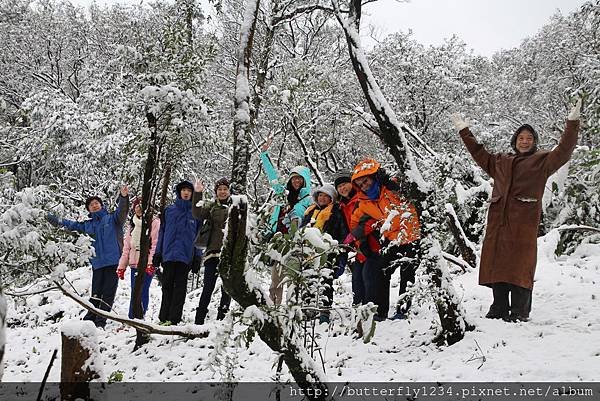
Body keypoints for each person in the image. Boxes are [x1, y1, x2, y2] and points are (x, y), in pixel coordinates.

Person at [451, 99, 581, 322]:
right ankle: (499, 307)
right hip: (499, 222)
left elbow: (564, 150)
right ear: (514, 141)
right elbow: (479, 153)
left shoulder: (543, 161)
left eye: (529, 139)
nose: (524, 142)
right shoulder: (500, 161)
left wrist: (572, 123)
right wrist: (464, 131)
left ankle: (520, 311)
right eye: (521, 138)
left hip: (523, 223)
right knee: (499, 264)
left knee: (520, 266)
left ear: (534, 142)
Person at [47, 186, 130, 328]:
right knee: (96, 293)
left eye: (96, 203)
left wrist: (123, 197)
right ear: (89, 209)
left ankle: (100, 321)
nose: (94, 205)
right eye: (91, 205)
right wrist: (53, 219)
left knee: (108, 292)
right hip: (97, 263)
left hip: (113, 261)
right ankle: (90, 317)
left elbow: (122, 210)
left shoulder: (112, 219)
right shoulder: (87, 225)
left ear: (101, 205)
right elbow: (70, 225)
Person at [349, 160, 421, 321]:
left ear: (375, 177)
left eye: (366, 181)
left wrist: (395, 184)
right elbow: (355, 223)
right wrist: (362, 243)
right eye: (360, 184)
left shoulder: (392, 188)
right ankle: (381, 312)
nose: (364, 186)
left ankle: (403, 310)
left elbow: (415, 187)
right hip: (391, 240)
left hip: (412, 237)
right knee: (381, 272)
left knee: (407, 274)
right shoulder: (364, 202)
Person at [260, 138, 313, 305]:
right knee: (276, 277)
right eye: (293, 178)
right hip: (279, 240)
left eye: (300, 179)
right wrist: (264, 154)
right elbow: (273, 178)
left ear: (305, 180)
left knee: (292, 277)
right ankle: (274, 307)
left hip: (296, 243)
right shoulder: (283, 195)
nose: (296, 181)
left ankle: (293, 309)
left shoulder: (309, 200)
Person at [152, 180, 201, 326]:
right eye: (183, 190)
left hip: (185, 257)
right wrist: (158, 253)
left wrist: (198, 256)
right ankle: (163, 318)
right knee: (166, 286)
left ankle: (174, 319)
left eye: (189, 190)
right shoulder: (169, 211)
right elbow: (162, 232)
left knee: (180, 288)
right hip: (168, 255)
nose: (186, 193)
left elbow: (199, 235)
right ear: (179, 192)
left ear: (192, 193)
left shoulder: (196, 213)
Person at [300, 183, 348, 324]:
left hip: (328, 253)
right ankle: (308, 308)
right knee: (308, 280)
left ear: (331, 199)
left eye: (326, 196)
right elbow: (302, 230)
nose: (322, 198)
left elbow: (342, 233)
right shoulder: (310, 212)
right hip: (309, 253)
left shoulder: (336, 213)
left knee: (325, 282)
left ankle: (324, 311)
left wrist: (337, 249)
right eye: (320, 195)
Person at [192, 178, 233, 325]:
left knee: (226, 289)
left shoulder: (235, 207)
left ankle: (222, 320)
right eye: (220, 189)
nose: (222, 192)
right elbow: (196, 212)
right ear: (216, 192)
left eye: (225, 189)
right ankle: (199, 320)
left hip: (228, 254)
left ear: (229, 191)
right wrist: (198, 193)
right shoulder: (211, 207)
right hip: (212, 253)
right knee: (208, 287)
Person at [117, 197, 160, 319]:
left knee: (143, 291)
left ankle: (139, 318)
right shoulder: (132, 225)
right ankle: (132, 318)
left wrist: (151, 263)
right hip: (134, 263)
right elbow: (127, 248)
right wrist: (122, 266)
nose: (139, 209)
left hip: (146, 264)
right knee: (134, 292)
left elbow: (155, 244)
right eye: (137, 207)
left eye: (142, 206)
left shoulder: (154, 223)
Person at [334, 169, 366, 306]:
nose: (342, 188)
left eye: (345, 184)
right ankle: (359, 307)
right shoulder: (342, 205)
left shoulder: (361, 198)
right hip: (356, 247)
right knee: (357, 279)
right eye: (339, 187)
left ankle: (371, 309)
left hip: (368, 243)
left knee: (370, 278)